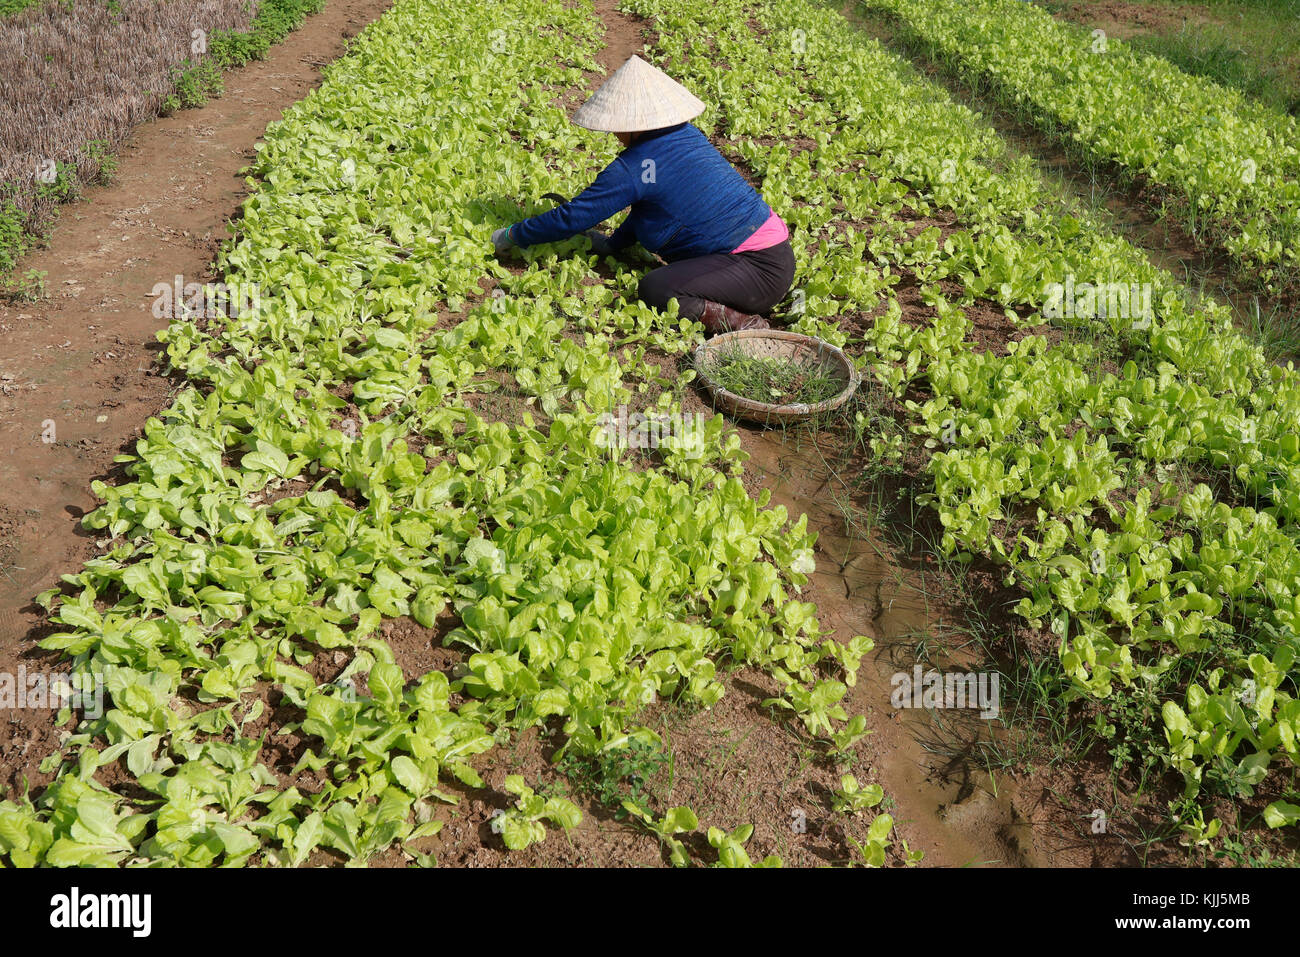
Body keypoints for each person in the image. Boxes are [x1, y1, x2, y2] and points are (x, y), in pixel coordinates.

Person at [491, 56, 794, 335]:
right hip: (775, 258)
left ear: (631, 125)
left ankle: (747, 324)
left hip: (758, 272)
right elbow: (648, 210)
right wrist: (612, 245)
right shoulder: (686, 135)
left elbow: (572, 217)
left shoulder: (634, 168)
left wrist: (512, 235)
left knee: (657, 290)